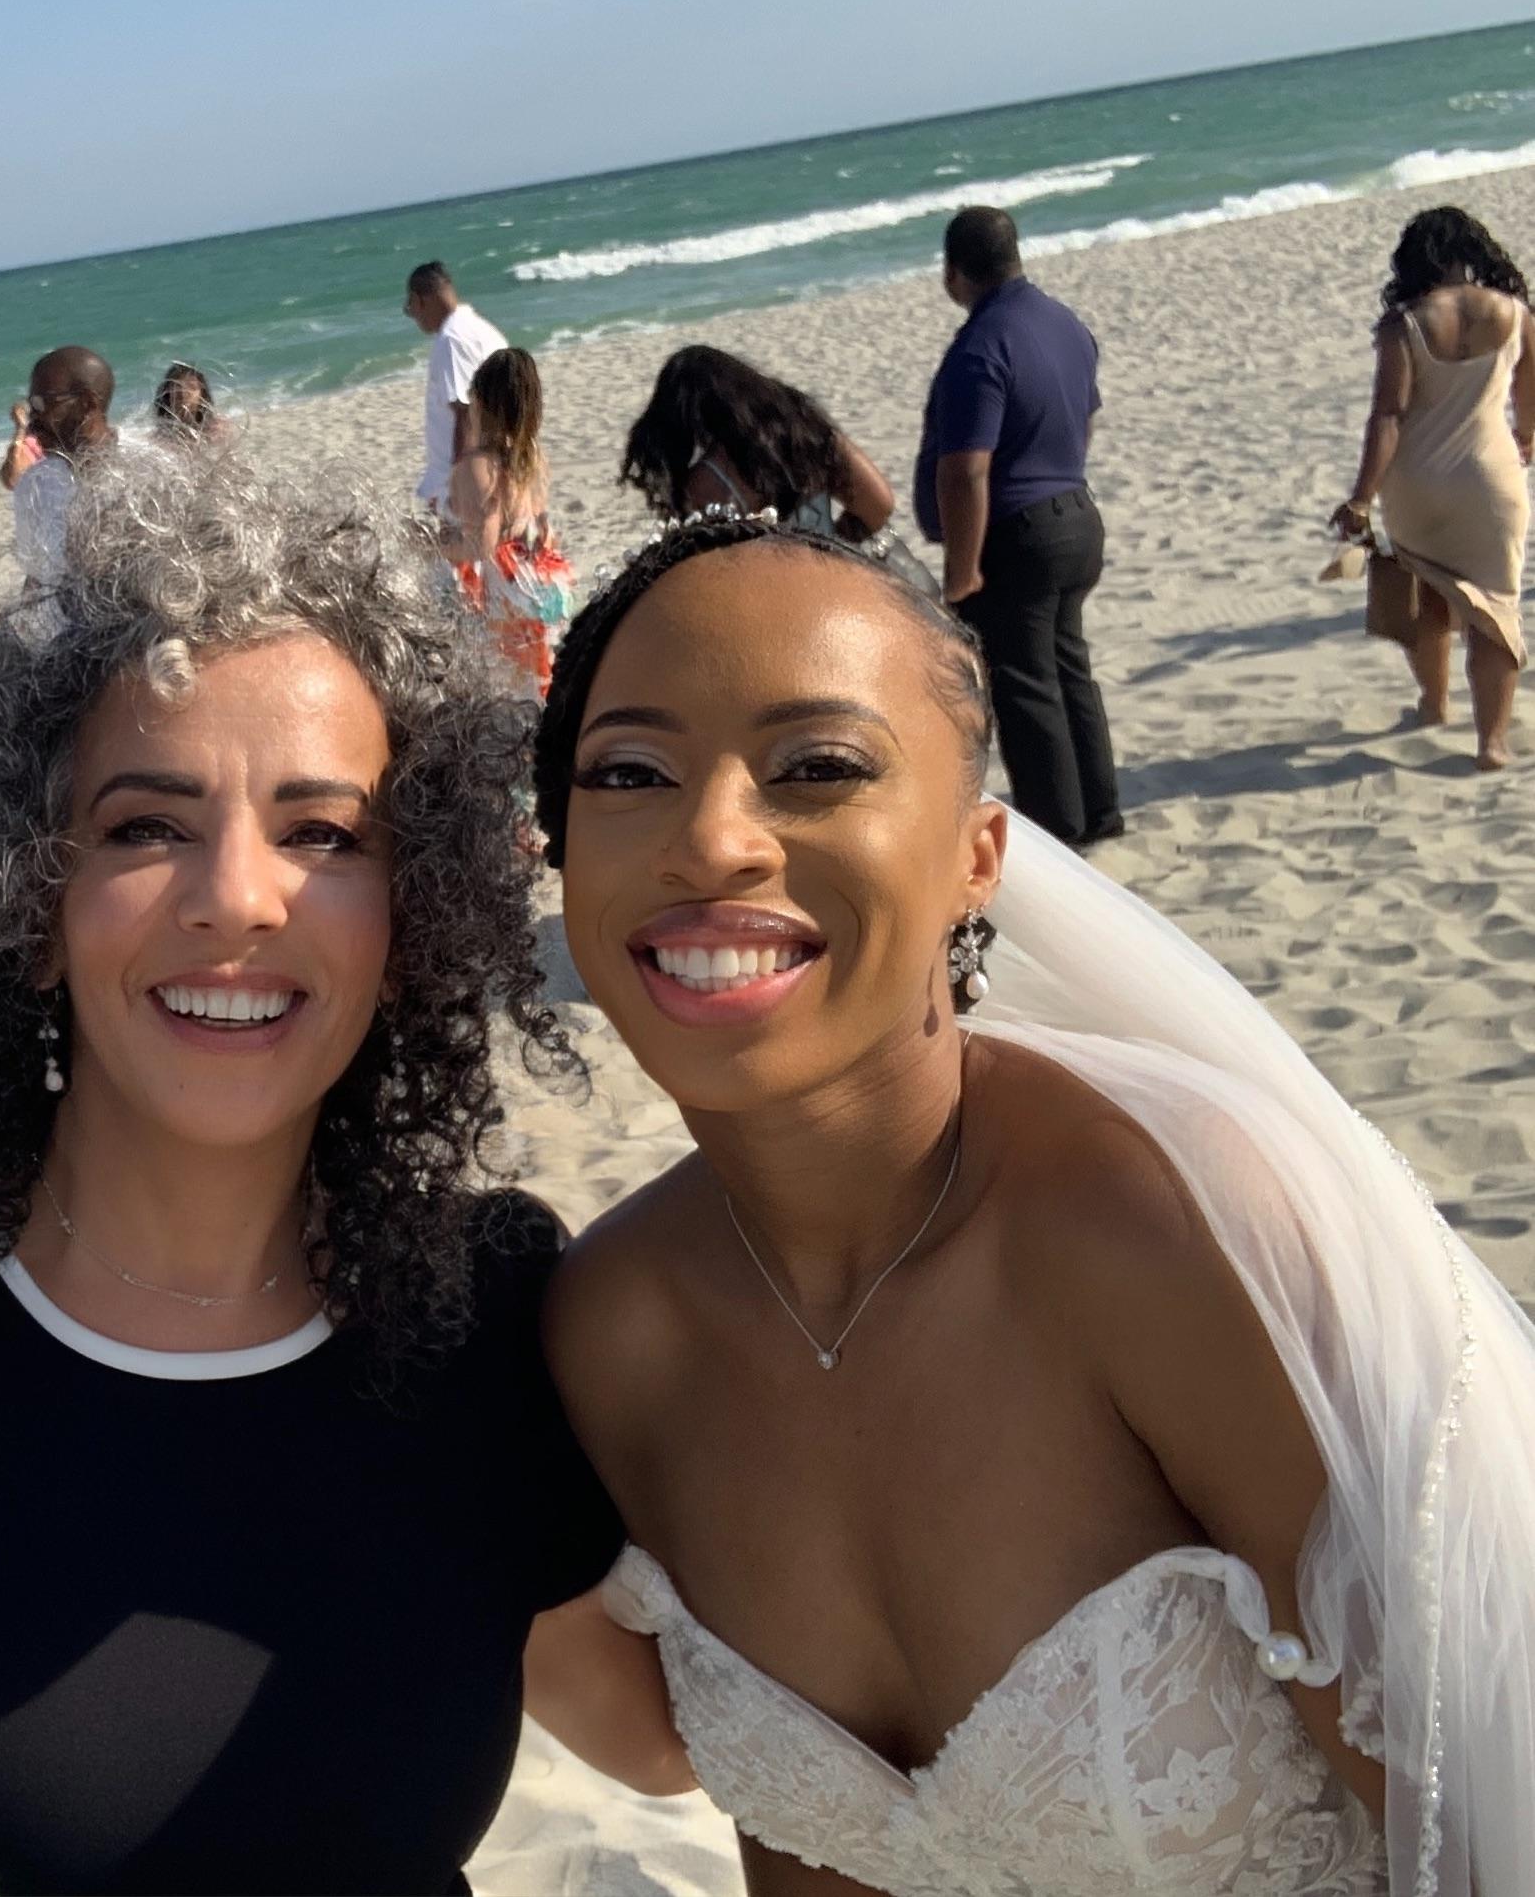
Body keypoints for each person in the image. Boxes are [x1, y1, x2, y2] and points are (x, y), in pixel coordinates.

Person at [0, 452, 691, 1894]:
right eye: (146, 827)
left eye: (322, 834)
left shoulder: (483, 1320)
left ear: (408, 921)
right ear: (30, 903)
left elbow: (668, 1743)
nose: (236, 896)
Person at [527, 509, 1535, 1892]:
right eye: (630, 772)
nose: (711, 840)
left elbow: (1475, 1825)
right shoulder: (614, 1328)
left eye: (817, 766)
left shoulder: (1162, 1230)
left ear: (977, 858)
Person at [916, 204, 1123, 848]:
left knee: (1026, 688)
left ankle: (1062, 833)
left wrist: (962, 570)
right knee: (1068, 670)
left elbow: (966, 470)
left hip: (1017, 531)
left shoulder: (981, 346)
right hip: (1074, 512)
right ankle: (1100, 812)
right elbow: (1085, 418)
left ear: (953, 273)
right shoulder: (1063, 322)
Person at [1331, 206, 1532, 771]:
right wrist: (1526, 437)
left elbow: (1388, 416)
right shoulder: (1515, 313)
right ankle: (1492, 742)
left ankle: (1434, 703)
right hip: (1491, 478)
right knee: (1495, 609)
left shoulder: (1405, 324)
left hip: (1417, 482)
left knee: (1426, 594)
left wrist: (1361, 498)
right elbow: (1529, 393)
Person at [619, 343, 899, 537]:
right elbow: (879, 504)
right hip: (832, 576)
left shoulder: (703, 484)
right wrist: (836, 544)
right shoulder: (804, 430)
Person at [445, 345, 571, 692]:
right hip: (548, 584)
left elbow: (481, 546)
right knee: (543, 689)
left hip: (512, 596)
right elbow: (543, 530)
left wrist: (433, 545)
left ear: (482, 404)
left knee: (510, 695)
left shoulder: (477, 466)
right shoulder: (532, 456)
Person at [4, 344, 116, 591]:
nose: (33, 420)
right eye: (30, 407)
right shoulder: (34, 484)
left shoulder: (150, 471)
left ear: (86, 402)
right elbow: (35, 579)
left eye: (42, 404)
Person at [405, 260, 505, 524]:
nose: (413, 315)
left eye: (410, 307)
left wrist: (459, 486)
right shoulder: (480, 329)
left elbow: (465, 413)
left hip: (465, 479)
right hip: (493, 464)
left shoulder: (452, 340)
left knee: (458, 549)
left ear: (419, 300)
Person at [151, 360, 230, 447]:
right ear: (168, 394)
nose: (183, 392)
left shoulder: (217, 429)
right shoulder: (158, 439)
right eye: (177, 386)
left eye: (191, 387)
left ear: (202, 395)